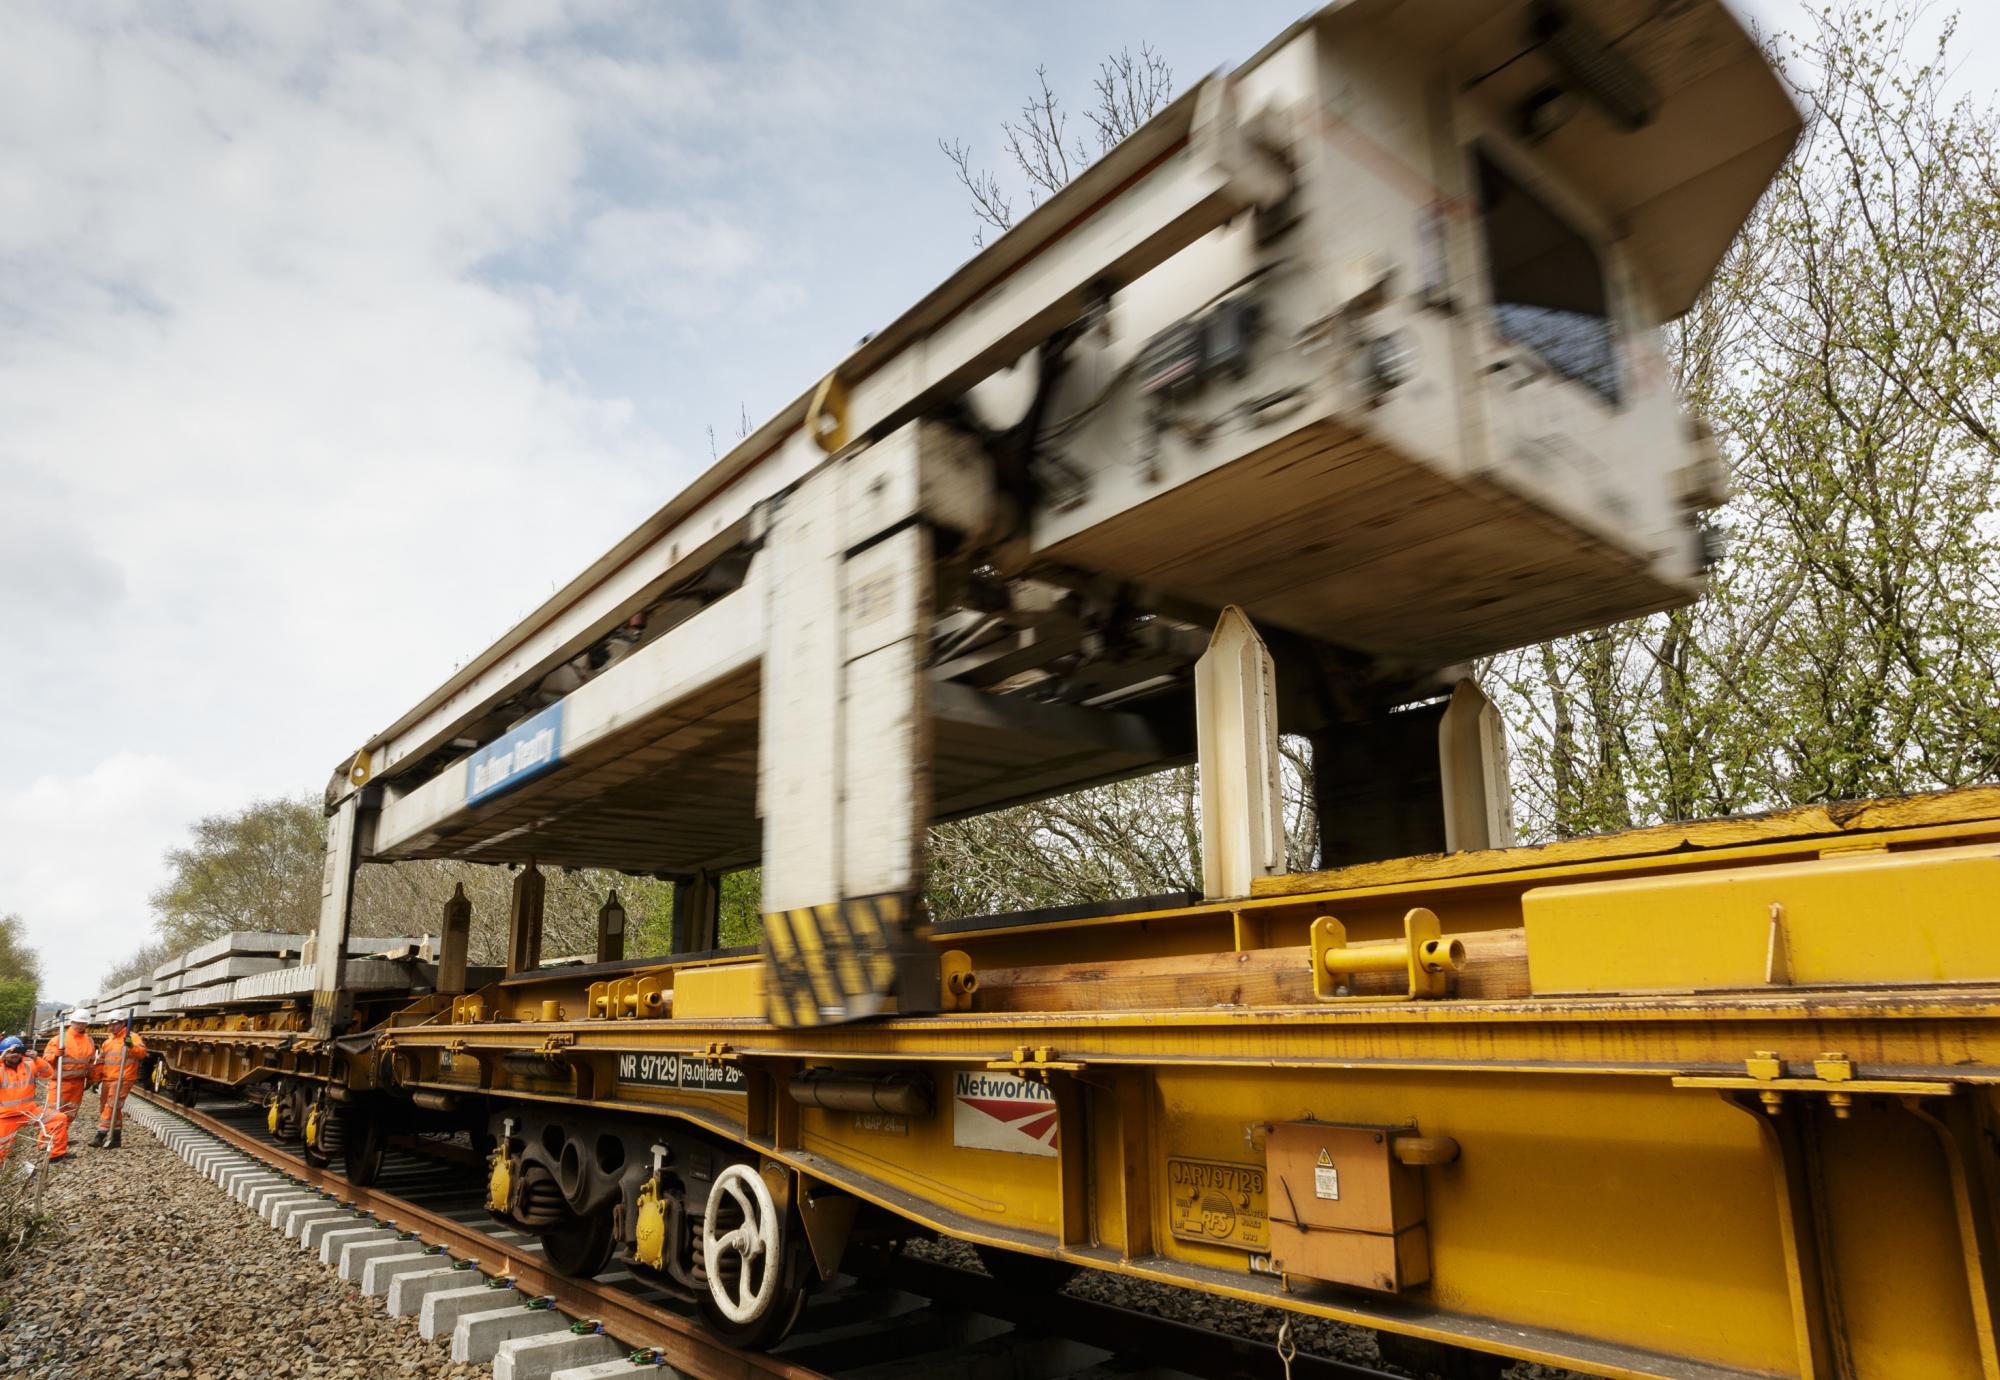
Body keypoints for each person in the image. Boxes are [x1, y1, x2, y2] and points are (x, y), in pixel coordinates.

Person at [0, 1036, 69, 1165]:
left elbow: (48, 1073)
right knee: (2, 1149)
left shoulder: (29, 1064)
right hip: (6, 1117)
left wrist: (36, 1058)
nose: (14, 1055)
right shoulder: (1, 1068)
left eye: (17, 1052)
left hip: (30, 1111)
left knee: (59, 1119)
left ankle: (56, 1155)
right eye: (10, 1053)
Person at [90, 1011, 148, 1149]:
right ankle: (116, 1138)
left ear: (122, 1024)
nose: (111, 1027)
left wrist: (131, 1046)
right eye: (109, 1025)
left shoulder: (132, 1037)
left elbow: (142, 1053)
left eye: (114, 1024)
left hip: (123, 1078)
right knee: (107, 1107)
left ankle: (100, 1135)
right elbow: (101, 1061)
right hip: (108, 1079)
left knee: (111, 1105)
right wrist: (95, 1078)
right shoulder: (108, 1042)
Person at [41, 1008, 95, 1122]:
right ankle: (48, 1139)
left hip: (78, 1085)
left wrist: (90, 1079)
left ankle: (62, 1137)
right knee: (53, 1115)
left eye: (83, 1023)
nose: (80, 1025)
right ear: (72, 1022)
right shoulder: (60, 1038)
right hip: (60, 1083)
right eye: (78, 1022)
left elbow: (90, 1063)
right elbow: (45, 1059)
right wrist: (55, 1054)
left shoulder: (89, 1040)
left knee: (70, 1114)